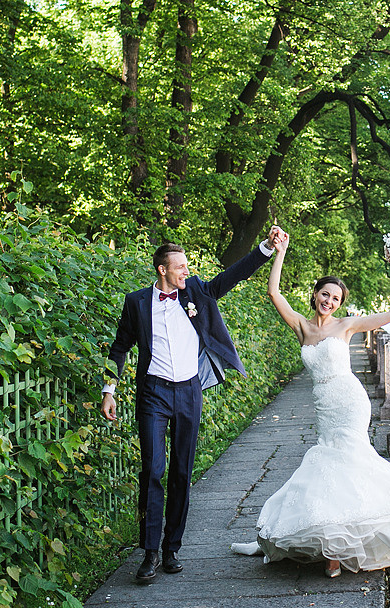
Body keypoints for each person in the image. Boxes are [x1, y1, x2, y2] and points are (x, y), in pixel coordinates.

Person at [230, 232, 390, 577]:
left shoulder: (346, 326)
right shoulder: (302, 327)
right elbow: (273, 292)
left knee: (346, 461)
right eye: (325, 294)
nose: (329, 301)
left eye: (335, 298)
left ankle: (338, 551)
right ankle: (292, 541)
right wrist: (280, 252)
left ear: (340, 303)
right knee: (328, 467)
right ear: (315, 294)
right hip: (324, 407)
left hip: (349, 401)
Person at [101, 227, 283, 583]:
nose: (186, 270)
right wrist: (109, 389)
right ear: (162, 270)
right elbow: (120, 347)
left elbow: (232, 276)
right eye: (180, 266)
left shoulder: (198, 290)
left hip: (188, 392)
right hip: (152, 393)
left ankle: (172, 548)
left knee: (182, 471)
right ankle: (149, 552)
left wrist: (265, 247)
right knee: (153, 471)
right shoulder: (136, 302)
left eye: (187, 266)